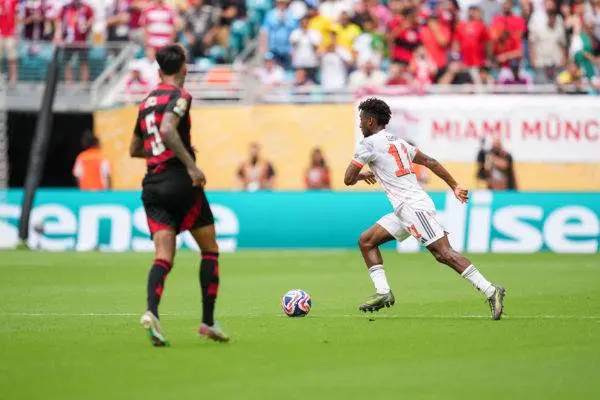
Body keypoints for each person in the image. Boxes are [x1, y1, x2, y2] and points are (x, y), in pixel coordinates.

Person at [344, 98, 505, 320]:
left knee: (443, 253)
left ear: (370, 121)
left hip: (413, 208)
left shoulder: (368, 144)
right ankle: (383, 292)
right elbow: (430, 161)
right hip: (406, 209)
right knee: (367, 241)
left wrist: (360, 175)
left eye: (362, 119)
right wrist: (454, 185)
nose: (360, 124)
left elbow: (347, 179)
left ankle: (490, 289)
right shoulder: (398, 142)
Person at [128, 44, 229, 346]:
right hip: (180, 180)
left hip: (153, 184)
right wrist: (190, 164)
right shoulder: (181, 96)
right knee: (209, 249)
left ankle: (152, 312)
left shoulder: (145, 102)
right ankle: (208, 321)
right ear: (184, 68)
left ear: (159, 71)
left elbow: (135, 148)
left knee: (163, 255)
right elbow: (168, 129)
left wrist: (160, 152)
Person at [54, 0, 94, 83]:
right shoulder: (65, 8)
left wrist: (87, 25)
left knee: (84, 62)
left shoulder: (86, 8)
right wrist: (58, 35)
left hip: (82, 41)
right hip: (68, 41)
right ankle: (69, 82)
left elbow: (91, 19)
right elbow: (58, 20)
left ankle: (84, 83)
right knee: (68, 63)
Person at [0, 0, 18, 83]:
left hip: (11, 33)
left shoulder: (14, 1)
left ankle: (13, 78)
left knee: (12, 57)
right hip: (1, 33)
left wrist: (16, 31)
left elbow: (17, 16)